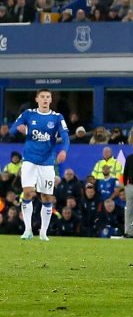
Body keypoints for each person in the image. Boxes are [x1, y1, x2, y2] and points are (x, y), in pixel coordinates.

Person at [13, 89, 69, 241]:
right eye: (42, 97)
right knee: (28, 193)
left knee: (46, 197)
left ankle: (43, 232)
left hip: (47, 163)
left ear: (51, 100)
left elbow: (65, 136)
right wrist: (19, 129)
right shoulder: (28, 114)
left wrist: (64, 150)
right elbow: (13, 127)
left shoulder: (57, 117)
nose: (45, 99)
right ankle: (28, 230)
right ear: (37, 99)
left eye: (48, 97)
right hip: (29, 160)